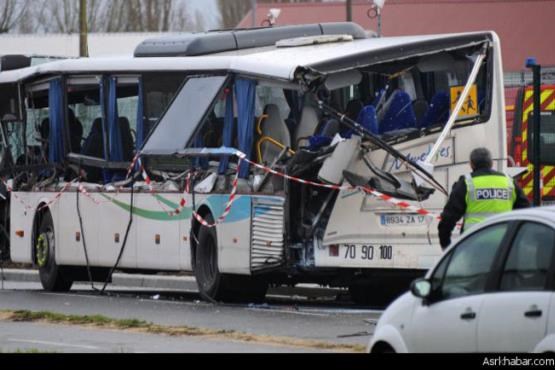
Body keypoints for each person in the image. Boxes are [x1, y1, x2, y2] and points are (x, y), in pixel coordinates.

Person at [438, 147, 529, 250]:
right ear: (491, 163)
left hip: (473, 243)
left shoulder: (467, 183)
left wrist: (446, 246)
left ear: (471, 164)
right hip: (505, 244)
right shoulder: (509, 182)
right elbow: (525, 211)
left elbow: (448, 219)